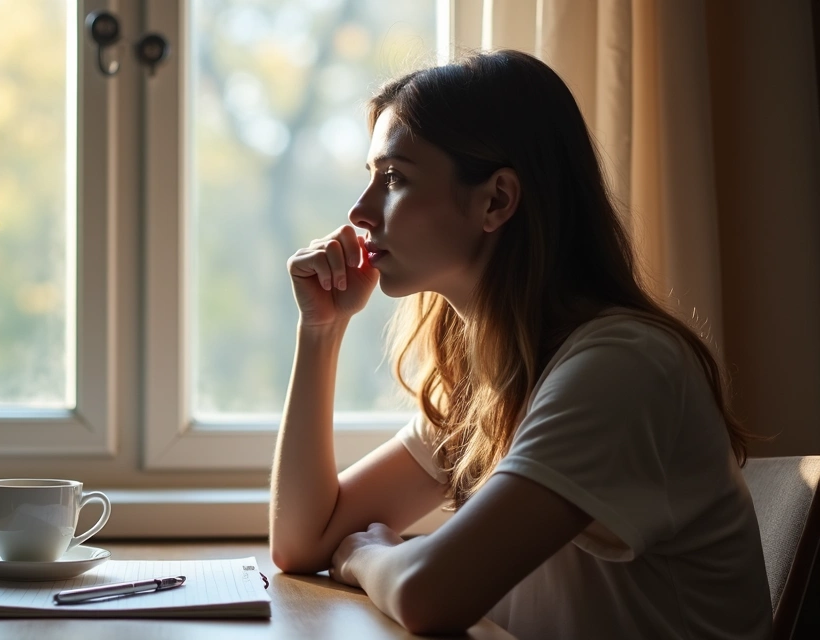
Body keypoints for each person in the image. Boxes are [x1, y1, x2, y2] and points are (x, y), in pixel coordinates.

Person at [269, 49, 772, 639]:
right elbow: (303, 542)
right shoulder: (496, 376)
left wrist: (363, 554)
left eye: (395, 178)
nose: (360, 212)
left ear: (497, 200)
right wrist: (321, 329)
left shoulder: (622, 367)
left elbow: (432, 595)